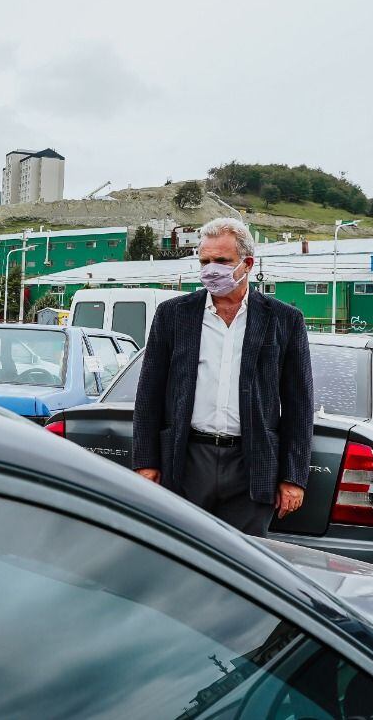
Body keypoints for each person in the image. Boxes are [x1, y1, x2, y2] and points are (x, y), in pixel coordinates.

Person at [130, 217, 313, 537]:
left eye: (221, 261)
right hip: (187, 460)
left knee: (245, 563)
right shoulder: (173, 315)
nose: (210, 269)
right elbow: (149, 394)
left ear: (248, 264)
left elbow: (299, 404)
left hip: (252, 464)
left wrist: (293, 477)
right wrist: (146, 463)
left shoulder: (284, 320)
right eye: (204, 261)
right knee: (182, 555)